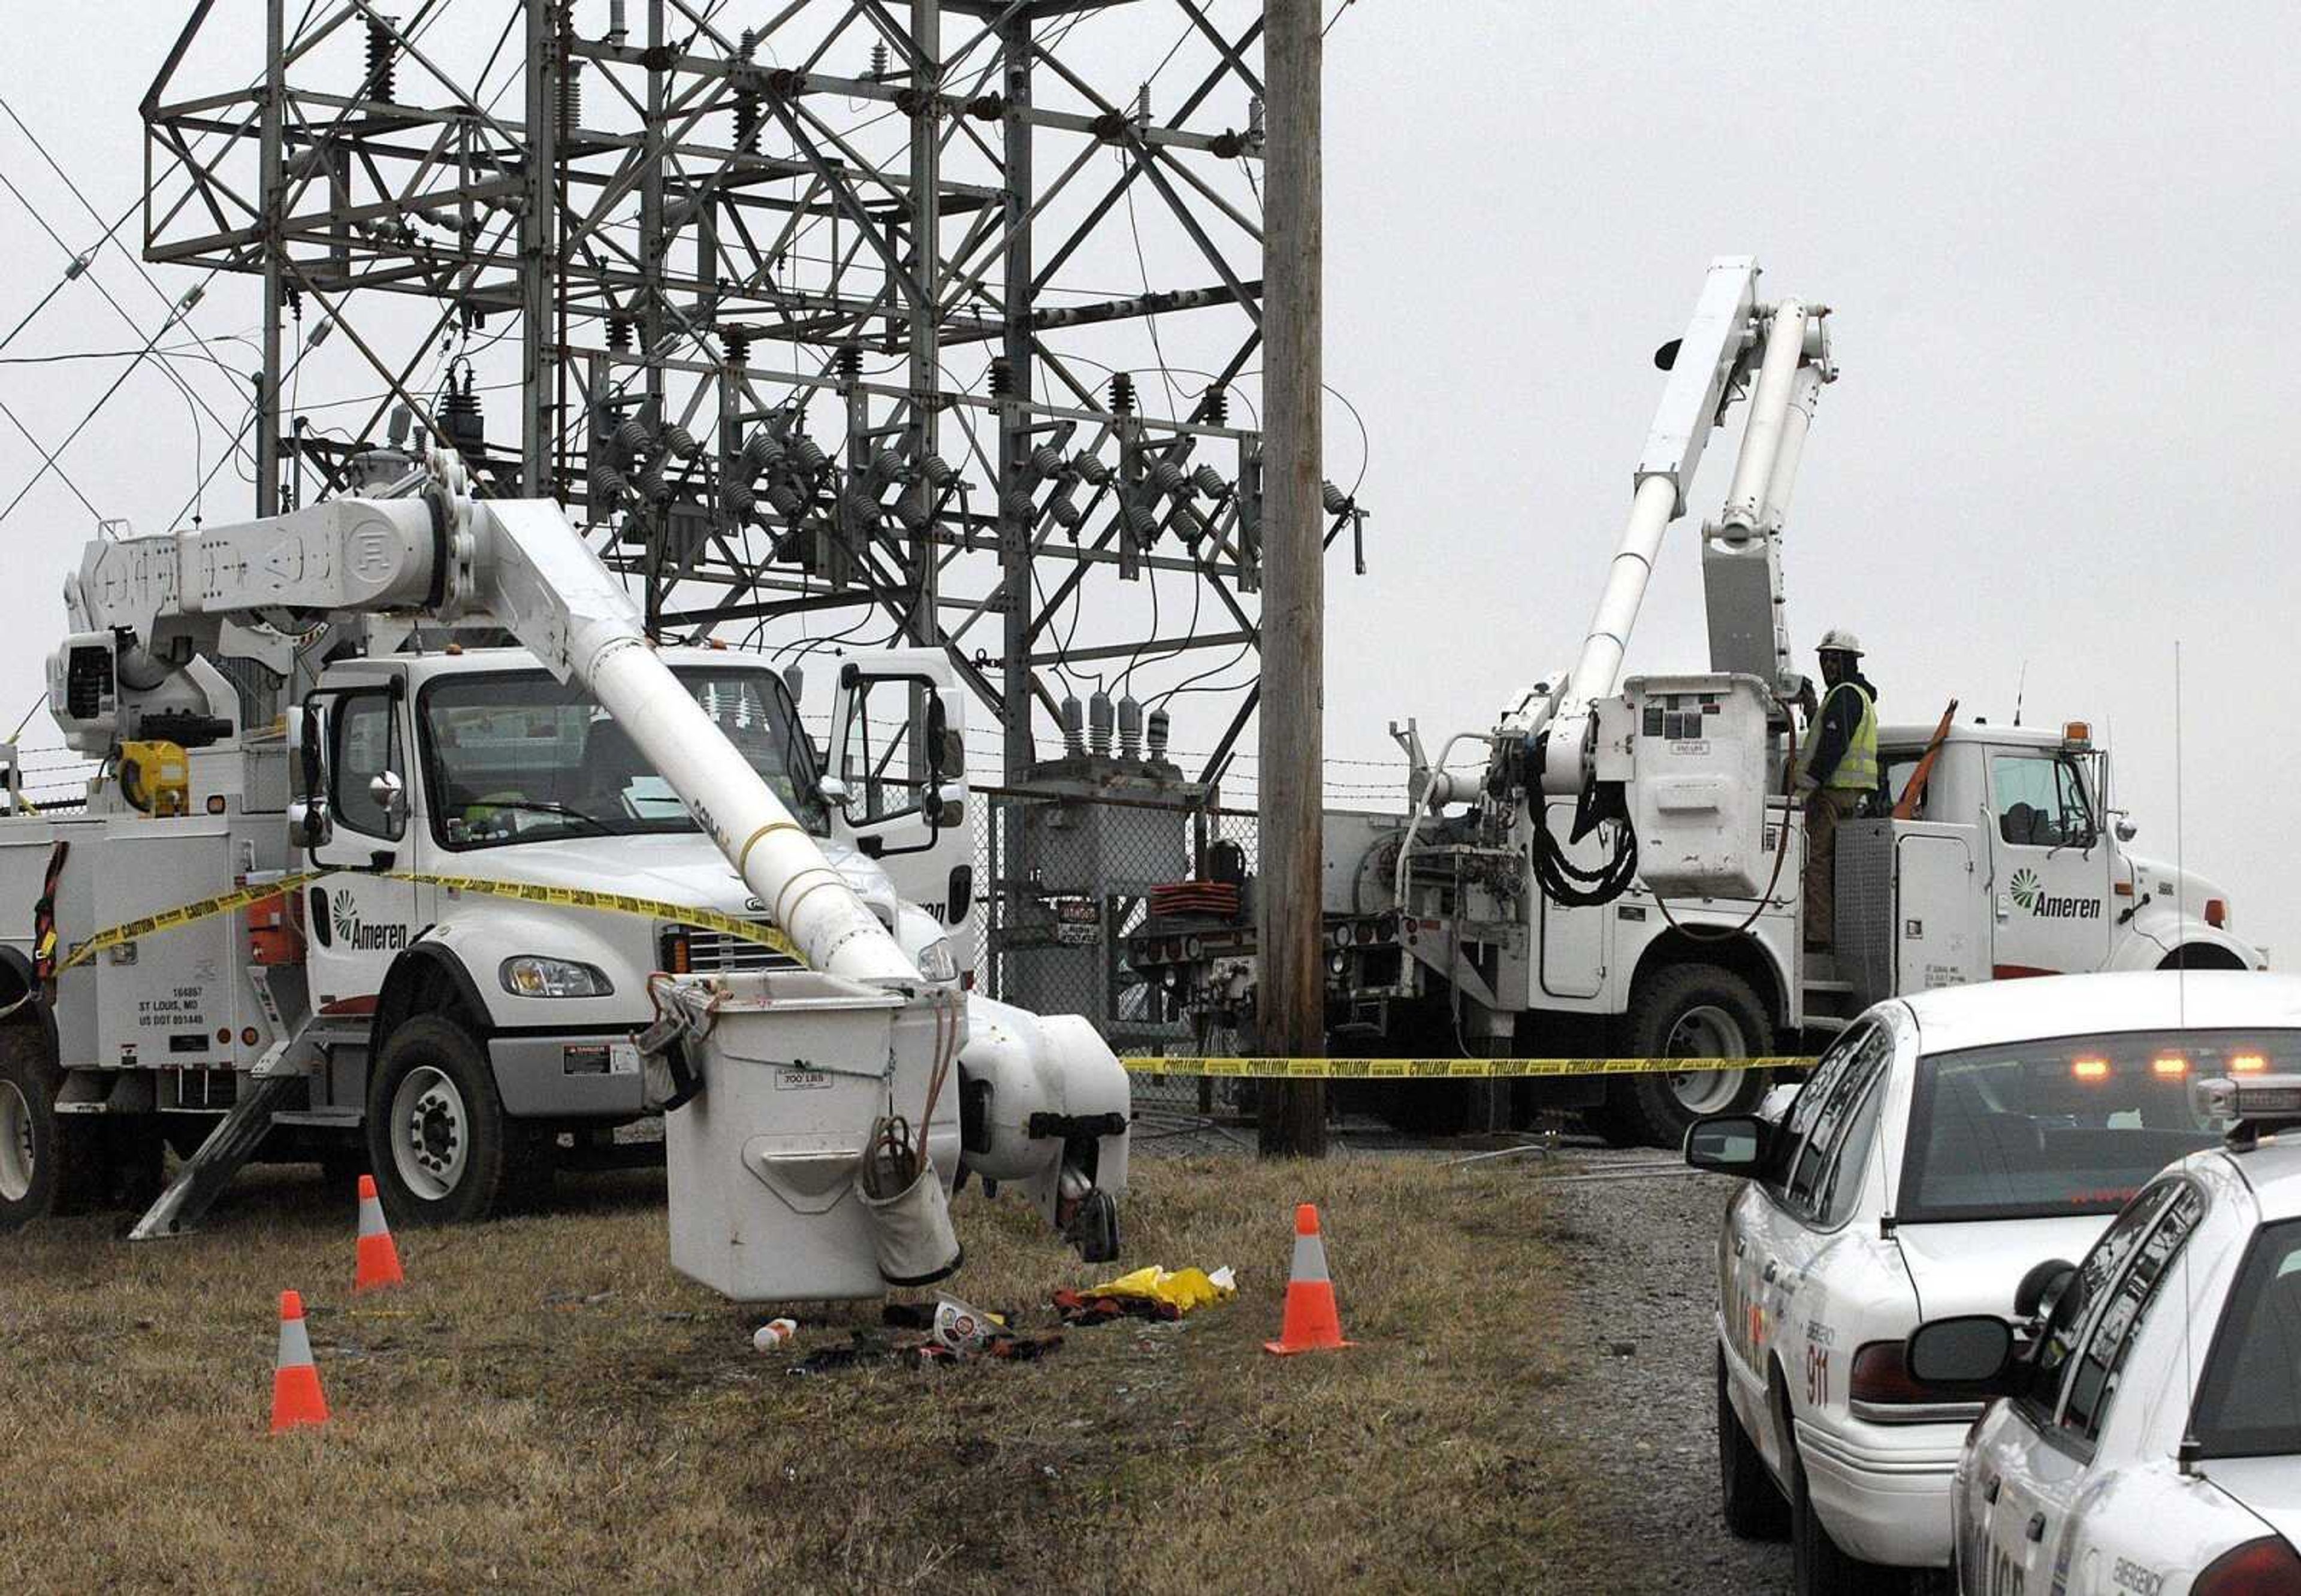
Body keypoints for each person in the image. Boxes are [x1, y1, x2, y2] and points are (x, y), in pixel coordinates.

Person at [1795, 628, 1879, 953]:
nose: (1828, 665)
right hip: (1850, 794)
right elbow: (1831, 729)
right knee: (1832, 865)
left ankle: (1817, 935)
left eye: (1834, 659)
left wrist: (1808, 787)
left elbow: (1833, 744)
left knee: (1815, 861)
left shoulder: (1846, 695)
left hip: (1832, 794)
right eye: (1824, 658)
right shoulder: (1855, 695)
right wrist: (1812, 707)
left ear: (1849, 662)